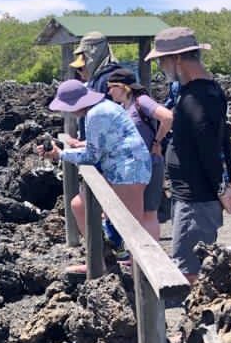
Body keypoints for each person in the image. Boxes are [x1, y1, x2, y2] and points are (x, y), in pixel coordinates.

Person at [144, 27, 231, 284]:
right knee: (191, 265)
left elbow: (212, 147)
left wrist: (223, 189)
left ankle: (194, 321)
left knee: (189, 272)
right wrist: (224, 186)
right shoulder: (206, 91)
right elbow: (222, 141)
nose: (160, 66)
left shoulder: (196, 98)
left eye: (161, 60)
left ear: (176, 58)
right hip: (192, 196)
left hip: (196, 199)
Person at [37, 79, 151, 274]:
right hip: (127, 167)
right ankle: (100, 260)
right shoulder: (104, 107)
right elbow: (104, 142)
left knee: (131, 228)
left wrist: (59, 155)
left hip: (129, 170)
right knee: (79, 205)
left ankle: (133, 276)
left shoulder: (96, 114)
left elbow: (92, 156)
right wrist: (76, 145)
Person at [106, 68, 173, 241]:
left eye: (111, 86)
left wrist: (157, 142)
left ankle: (150, 258)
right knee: (134, 212)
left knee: (148, 213)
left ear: (122, 87)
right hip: (131, 167)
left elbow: (167, 117)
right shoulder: (123, 107)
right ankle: (136, 259)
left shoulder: (141, 101)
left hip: (149, 163)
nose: (109, 91)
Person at [67, 31, 123, 141]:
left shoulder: (107, 78)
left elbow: (106, 120)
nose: (80, 72)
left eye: (80, 68)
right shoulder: (98, 78)